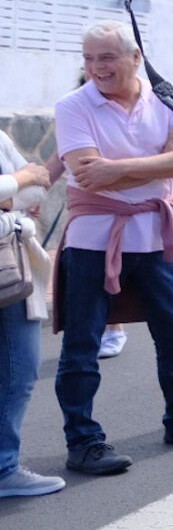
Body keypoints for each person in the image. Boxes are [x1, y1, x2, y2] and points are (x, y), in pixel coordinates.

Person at [52, 22, 173, 475]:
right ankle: (83, 441)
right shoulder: (73, 107)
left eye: (107, 57)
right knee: (83, 343)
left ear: (136, 58)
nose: (96, 67)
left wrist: (119, 170)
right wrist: (159, 166)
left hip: (157, 237)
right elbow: (86, 172)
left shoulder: (167, 98)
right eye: (90, 58)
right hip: (94, 240)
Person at [0, 133, 57, 498]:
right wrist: (18, 183)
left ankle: (4, 467)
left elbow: (41, 187)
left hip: (10, 266)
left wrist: (11, 197)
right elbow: (29, 180)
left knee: (21, 368)